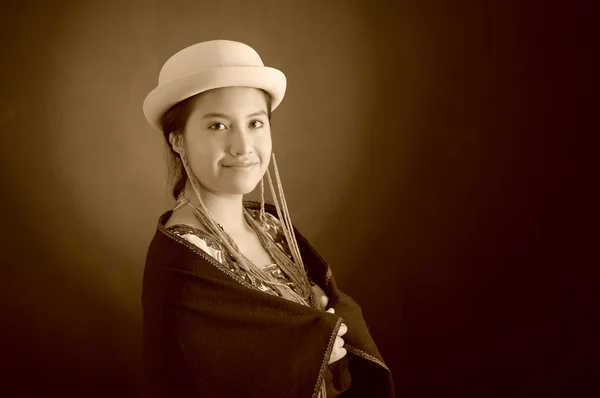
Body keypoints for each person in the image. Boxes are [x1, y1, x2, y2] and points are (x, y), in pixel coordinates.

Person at [141, 40, 394, 397]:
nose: (243, 146)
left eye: (255, 123)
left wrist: (321, 329)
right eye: (217, 126)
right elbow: (202, 376)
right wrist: (317, 342)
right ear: (178, 140)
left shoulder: (270, 227)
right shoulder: (186, 256)